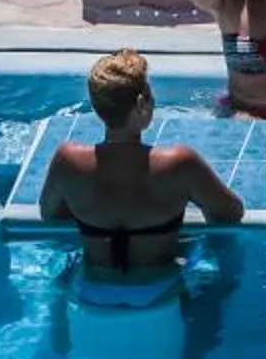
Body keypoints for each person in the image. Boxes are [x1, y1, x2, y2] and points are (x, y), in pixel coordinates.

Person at [37, 49, 246, 307]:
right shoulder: (179, 163)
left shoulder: (68, 161)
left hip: (90, 289)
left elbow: (50, 215)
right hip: (159, 288)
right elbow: (231, 212)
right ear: (142, 104)